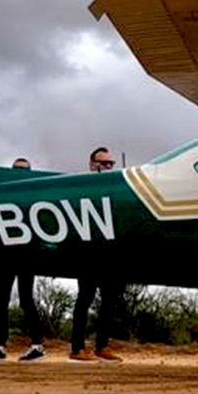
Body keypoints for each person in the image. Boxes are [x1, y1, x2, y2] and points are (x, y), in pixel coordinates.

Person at [0, 158, 47, 362]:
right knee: (1, 302)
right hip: (3, 255)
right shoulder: (1, 194)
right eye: (17, 170)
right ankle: (0, 346)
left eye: (25, 170)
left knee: (26, 299)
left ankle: (37, 345)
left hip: (26, 255)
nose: (21, 173)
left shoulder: (36, 196)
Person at [70, 147, 123, 362]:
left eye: (111, 164)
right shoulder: (83, 188)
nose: (108, 167)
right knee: (85, 300)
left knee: (109, 301)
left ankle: (102, 346)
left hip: (109, 254)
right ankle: (76, 348)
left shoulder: (116, 188)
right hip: (88, 253)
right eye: (103, 163)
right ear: (92, 165)